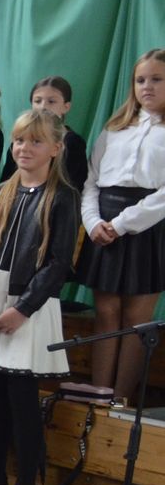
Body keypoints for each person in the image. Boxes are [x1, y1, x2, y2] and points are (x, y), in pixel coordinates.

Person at [0, 111, 79, 485]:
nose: (25, 148)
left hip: (30, 308)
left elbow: (58, 262)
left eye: (36, 141)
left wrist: (22, 309)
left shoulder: (63, 198)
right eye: (20, 140)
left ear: (56, 148)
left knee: (22, 399)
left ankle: (28, 484)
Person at [77, 49, 165, 407]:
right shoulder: (114, 128)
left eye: (156, 79)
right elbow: (91, 182)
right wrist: (93, 222)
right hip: (104, 224)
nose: (147, 86)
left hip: (148, 227)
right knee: (107, 314)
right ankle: (100, 396)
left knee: (136, 320)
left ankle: (121, 400)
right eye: (140, 80)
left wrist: (122, 224)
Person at [0, 75, 89, 193]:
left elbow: (73, 185)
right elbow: (6, 181)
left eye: (51, 101)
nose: (43, 106)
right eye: (38, 101)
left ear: (66, 107)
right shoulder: (19, 141)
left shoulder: (72, 143)